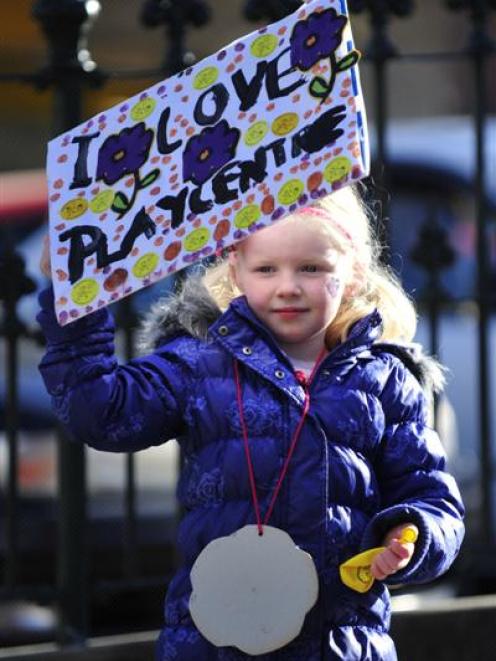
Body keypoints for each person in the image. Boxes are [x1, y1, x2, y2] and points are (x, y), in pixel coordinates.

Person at [37, 185, 464, 660]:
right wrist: (77, 308)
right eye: (267, 269)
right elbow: (100, 412)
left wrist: (410, 534)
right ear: (236, 270)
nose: (288, 286)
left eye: (311, 268)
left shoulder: (385, 380)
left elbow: (431, 497)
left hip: (340, 645)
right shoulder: (199, 364)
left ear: (354, 270)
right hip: (216, 645)